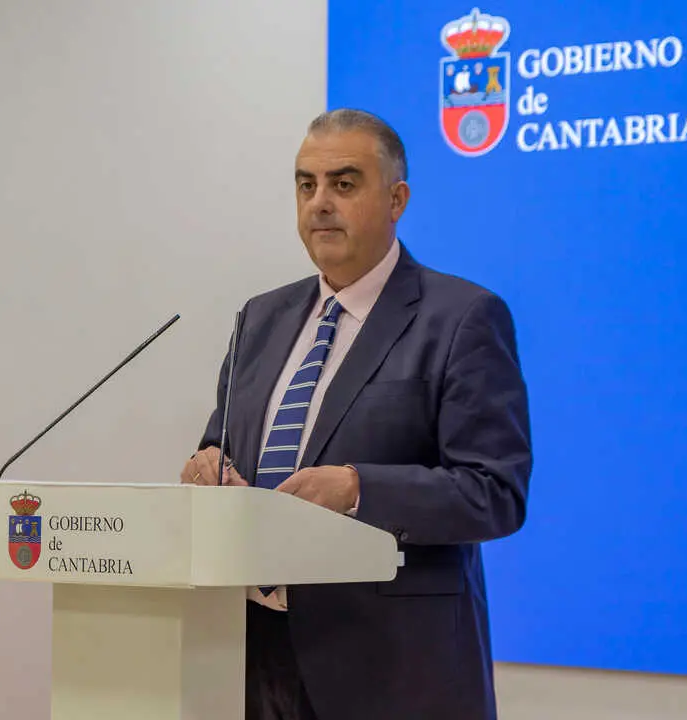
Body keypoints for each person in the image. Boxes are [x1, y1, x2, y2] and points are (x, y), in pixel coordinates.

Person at [180, 109, 532, 720]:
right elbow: (224, 443)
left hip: (394, 672)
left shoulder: (462, 318)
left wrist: (357, 488)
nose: (320, 203)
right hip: (249, 657)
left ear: (397, 199)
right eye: (305, 184)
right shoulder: (258, 319)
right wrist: (209, 469)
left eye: (344, 184)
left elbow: (494, 492)